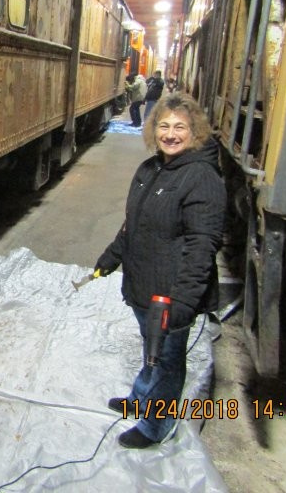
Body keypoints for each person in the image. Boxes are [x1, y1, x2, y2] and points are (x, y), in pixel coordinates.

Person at [92, 93, 226, 449]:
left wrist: (183, 300)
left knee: (167, 360)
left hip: (170, 293)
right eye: (163, 125)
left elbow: (203, 245)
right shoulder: (151, 169)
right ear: (153, 129)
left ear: (195, 131)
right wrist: (112, 255)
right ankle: (140, 398)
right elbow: (134, 224)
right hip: (143, 284)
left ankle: (155, 424)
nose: (170, 134)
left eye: (180, 127)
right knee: (151, 349)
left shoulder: (202, 177)